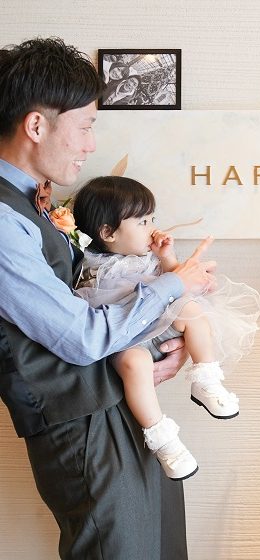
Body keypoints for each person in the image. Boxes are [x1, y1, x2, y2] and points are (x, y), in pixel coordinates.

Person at [0, 37, 216, 559]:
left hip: (117, 407)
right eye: (86, 126)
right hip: (81, 425)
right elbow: (80, 337)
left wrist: (161, 342)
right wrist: (174, 286)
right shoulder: (3, 219)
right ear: (36, 126)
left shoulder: (30, 202)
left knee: (159, 547)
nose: (91, 145)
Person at [73, 176, 260, 481]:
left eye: (152, 219)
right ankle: (163, 440)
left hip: (159, 330)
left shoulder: (148, 258)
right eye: (142, 222)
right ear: (108, 233)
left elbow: (179, 284)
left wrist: (167, 257)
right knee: (135, 362)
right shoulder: (92, 268)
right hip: (124, 340)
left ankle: (206, 378)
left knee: (191, 308)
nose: (153, 229)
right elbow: (96, 321)